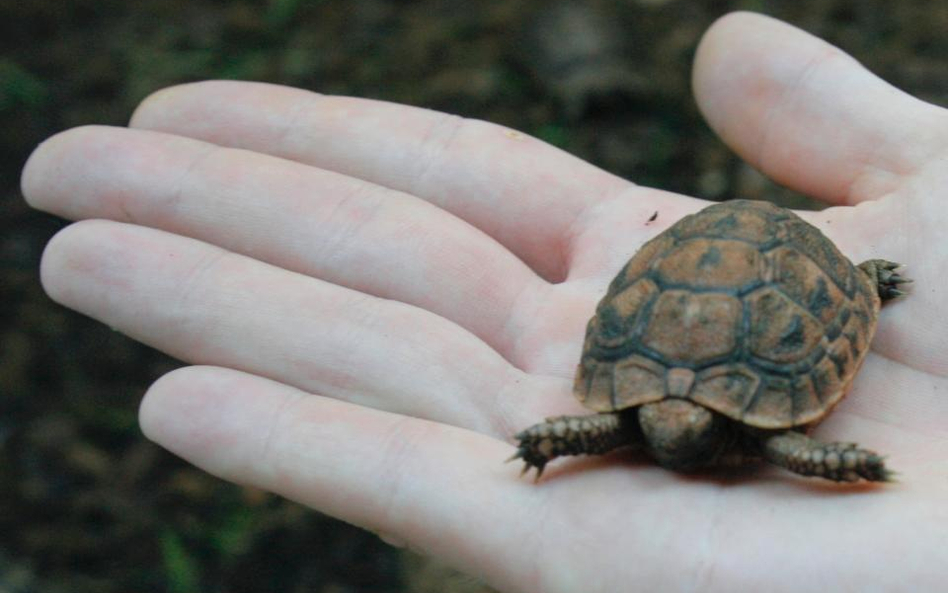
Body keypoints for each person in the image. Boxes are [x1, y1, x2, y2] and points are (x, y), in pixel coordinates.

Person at [21, 11, 947, 592]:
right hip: (707, 314)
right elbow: (610, 430)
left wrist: (848, 463)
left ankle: (858, 279)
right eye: (662, 429)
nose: (668, 440)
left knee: (827, 346)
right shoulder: (645, 423)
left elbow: (790, 446)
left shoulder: (760, 435)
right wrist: (548, 439)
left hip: (789, 279)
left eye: (679, 434)